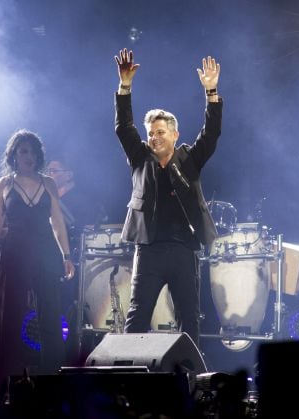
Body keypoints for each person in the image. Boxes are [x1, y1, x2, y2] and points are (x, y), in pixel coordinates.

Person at [113, 48, 222, 347]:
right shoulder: (140, 158)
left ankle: (191, 376)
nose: (155, 137)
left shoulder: (189, 159)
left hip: (184, 250)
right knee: (138, 315)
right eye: (151, 133)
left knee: (189, 316)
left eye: (161, 132)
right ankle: (128, 374)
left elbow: (211, 134)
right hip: (148, 250)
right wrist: (125, 87)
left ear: (175, 135)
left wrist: (211, 92)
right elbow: (124, 127)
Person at [0, 129, 74, 381]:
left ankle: (53, 375)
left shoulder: (49, 183)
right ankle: (9, 377)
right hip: (15, 252)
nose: (28, 156)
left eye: (32, 151)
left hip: (45, 252)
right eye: (23, 151)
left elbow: (57, 222)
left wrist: (66, 255)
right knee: (10, 314)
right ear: (13, 155)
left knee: (51, 314)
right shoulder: (4, 184)